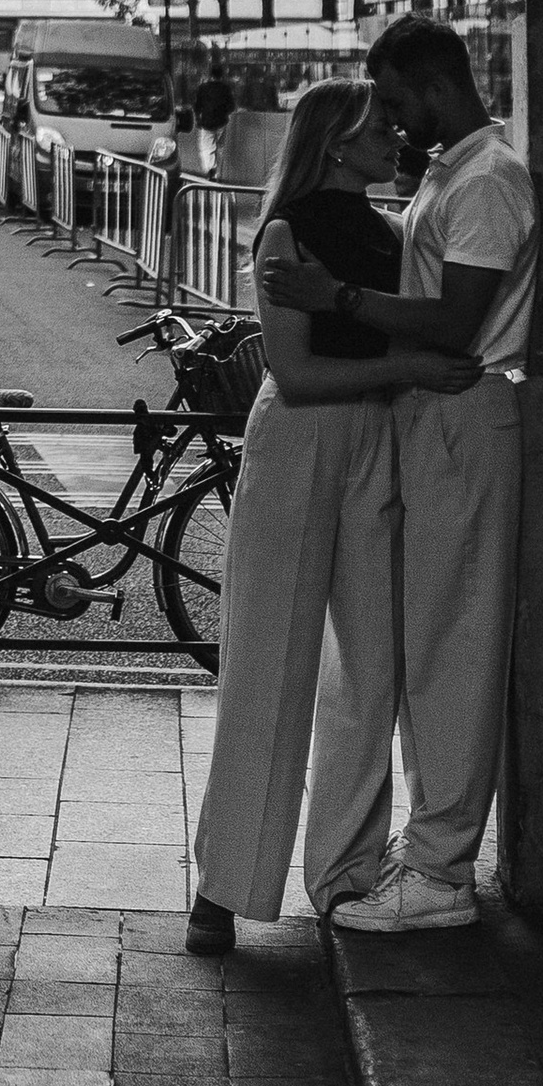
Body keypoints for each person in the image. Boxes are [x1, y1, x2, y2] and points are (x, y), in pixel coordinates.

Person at [186, 82, 483, 956]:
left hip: (368, 437)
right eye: (376, 124)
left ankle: (345, 875)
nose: (394, 133)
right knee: (267, 665)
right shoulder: (288, 232)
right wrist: (407, 370)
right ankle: (224, 887)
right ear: (335, 142)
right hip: (302, 438)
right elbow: (297, 373)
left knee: (369, 667)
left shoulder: (392, 231)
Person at [259, 13, 539, 934]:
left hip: (461, 407)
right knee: (428, 644)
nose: (390, 118)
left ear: (433, 87)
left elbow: (455, 321)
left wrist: (336, 297)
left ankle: (442, 874)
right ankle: (427, 855)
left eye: (392, 99)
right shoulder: (455, 174)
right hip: (433, 414)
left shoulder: (487, 181)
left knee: (452, 646)